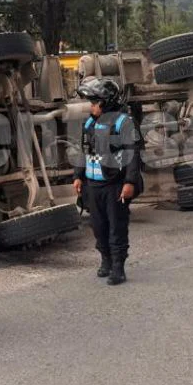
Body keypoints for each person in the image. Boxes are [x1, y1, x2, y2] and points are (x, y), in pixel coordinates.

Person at [73, 77, 143, 286]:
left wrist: (129, 182)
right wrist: (78, 175)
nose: (91, 106)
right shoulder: (90, 122)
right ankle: (106, 260)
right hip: (93, 186)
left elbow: (133, 153)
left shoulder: (124, 122)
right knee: (98, 226)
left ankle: (118, 267)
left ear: (107, 102)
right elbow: (83, 150)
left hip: (115, 185)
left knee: (116, 227)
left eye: (94, 102)